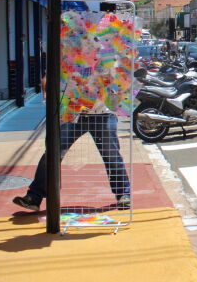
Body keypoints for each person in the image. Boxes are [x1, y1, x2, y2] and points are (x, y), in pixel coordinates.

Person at [13, 11, 133, 211]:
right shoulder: (67, 55)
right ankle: (34, 197)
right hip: (71, 112)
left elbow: (116, 81)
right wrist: (48, 93)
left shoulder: (106, 54)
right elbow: (49, 77)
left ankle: (124, 194)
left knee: (111, 154)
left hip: (100, 114)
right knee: (52, 153)